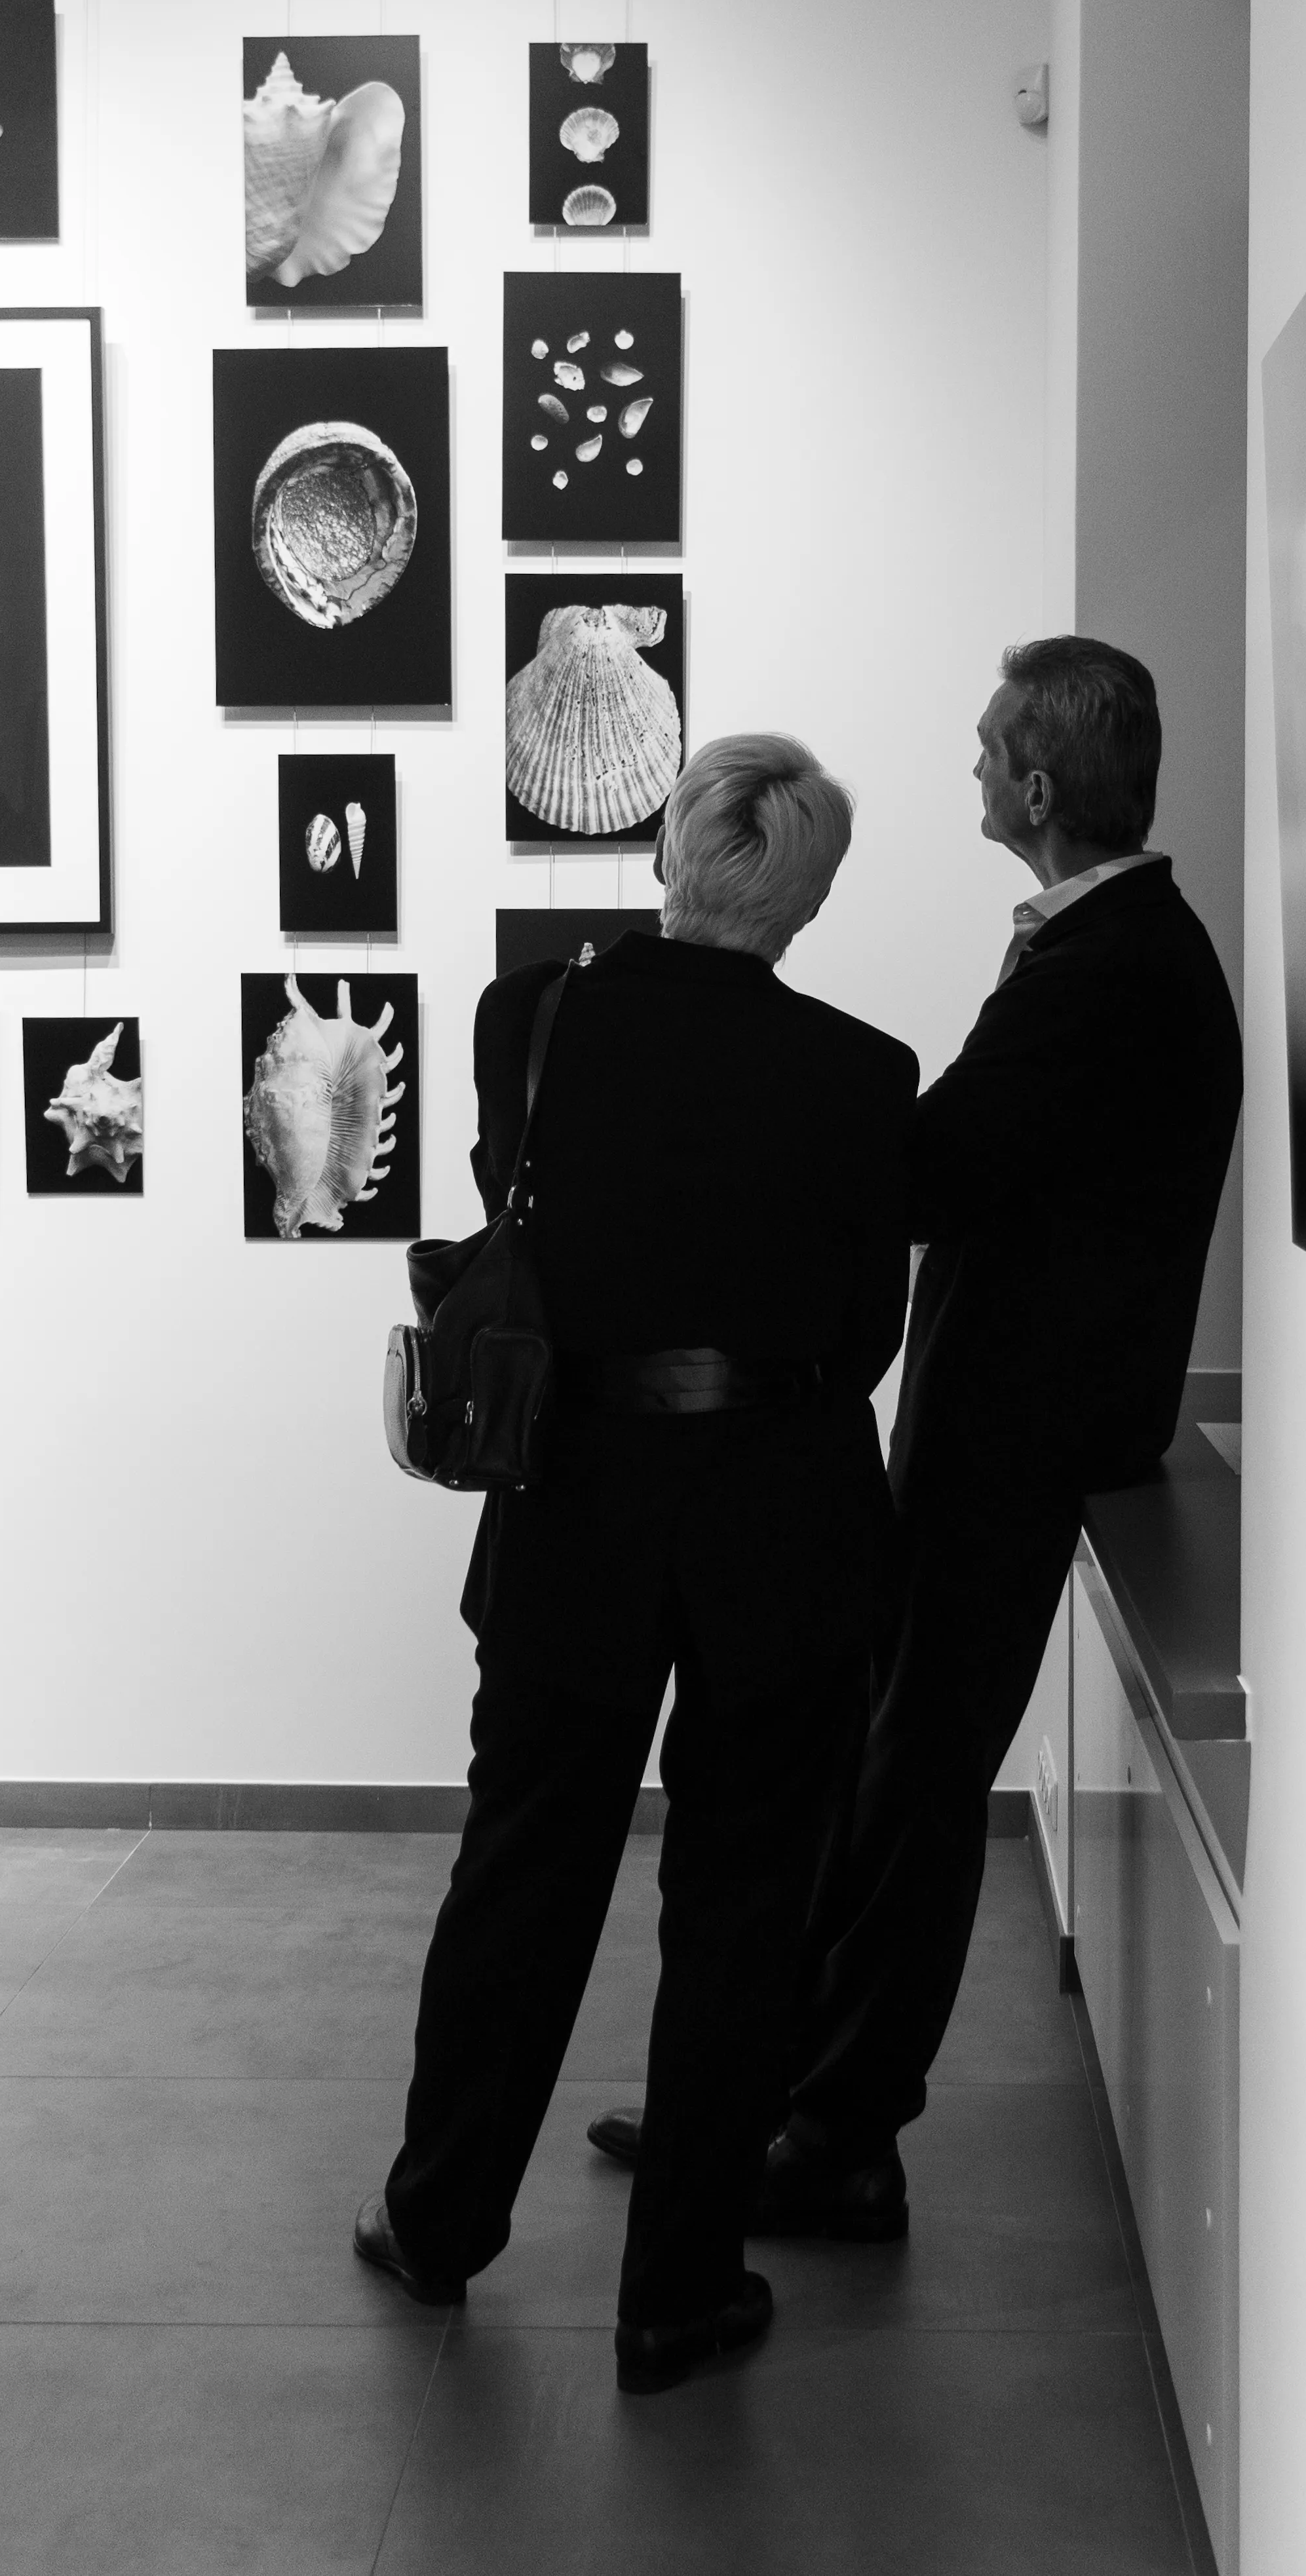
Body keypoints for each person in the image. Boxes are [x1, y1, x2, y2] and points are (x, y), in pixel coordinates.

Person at [589, 635, 1242, 2237]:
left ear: (1036, 782)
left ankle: (837, 2134)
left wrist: (759, 1107)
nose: (968, 765)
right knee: (884, 1772)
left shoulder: (1106, 967)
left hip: (1015, 1431)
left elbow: (932, 1165)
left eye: (984, 745)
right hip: (1001, 1417)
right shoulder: (1113, 950)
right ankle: (768, 2102)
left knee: (915, 1784)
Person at [353, 731, 919, 2392]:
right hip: (782, 1512)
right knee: (744, 1902)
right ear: (807, 897)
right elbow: (862, 1333)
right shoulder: (863, 1070)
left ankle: (438, 2219)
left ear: (669, 853)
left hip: (575, 1500)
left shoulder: (529, 1016)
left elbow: (516, 1214)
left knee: (522, 1869)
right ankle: (675, 2290)